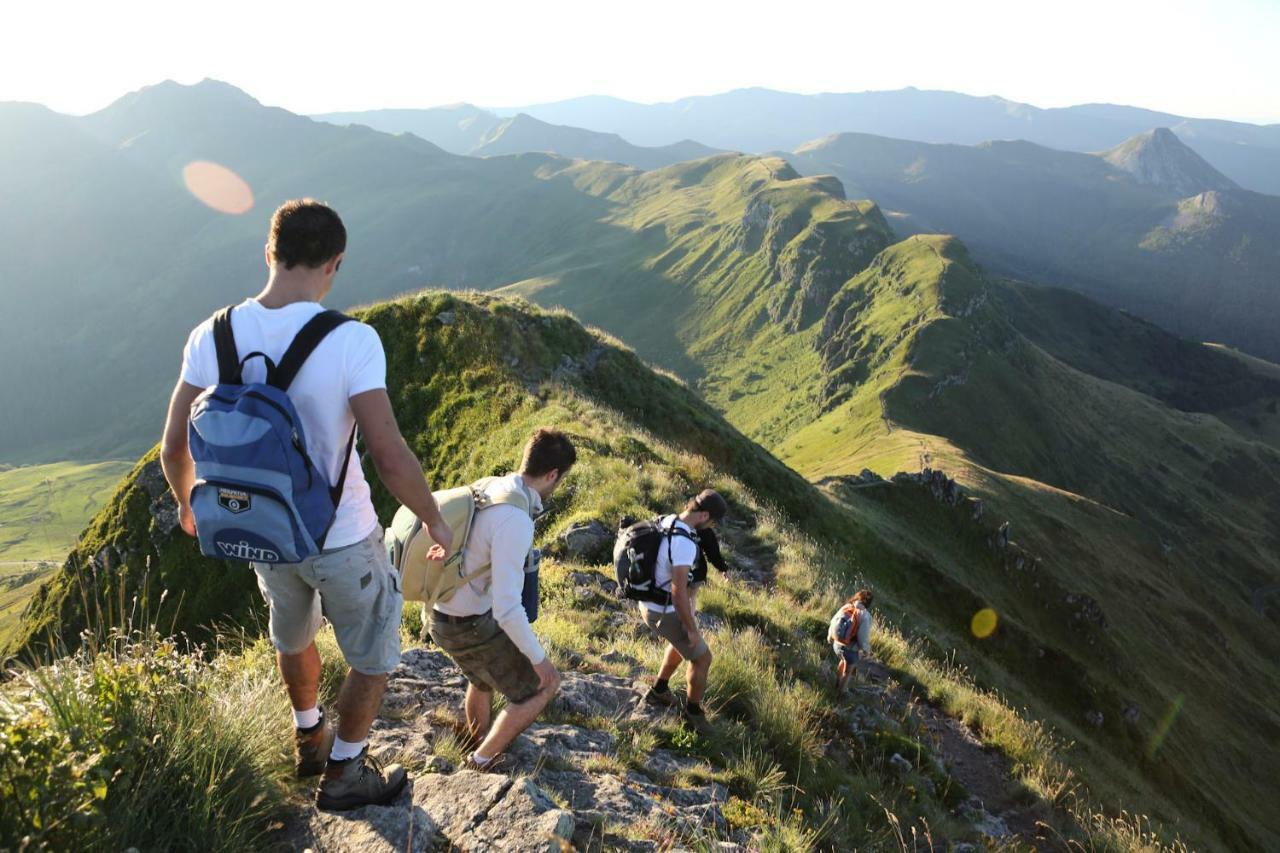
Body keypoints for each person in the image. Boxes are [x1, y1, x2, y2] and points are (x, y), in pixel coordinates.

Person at [160, 199, 453, 811]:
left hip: (261, 529)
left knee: (292, 638)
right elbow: (389, 453)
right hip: (342, 534)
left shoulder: (211, 335)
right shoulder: (352, 341)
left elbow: (172, 446)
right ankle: (345, 773)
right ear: (335, 264)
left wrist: (193, 506)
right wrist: (431, 517)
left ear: (269, 253)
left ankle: (309, 735)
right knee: (373, 657)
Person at [428, 428, 576, 771]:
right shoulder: (515, 520)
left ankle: (477, 740)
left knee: (481, 678)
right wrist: (540, 661)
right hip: (470, 624)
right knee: (543, 686)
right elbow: (507, 608)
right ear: (553, 475)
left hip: (439, 614)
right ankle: (480, 761)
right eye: (561, 479)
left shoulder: (489, 485)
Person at [641, 489, 728, 734]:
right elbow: (679, 592)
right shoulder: (685, 543)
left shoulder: (669, 520)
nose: (712, 526)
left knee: (681, 645)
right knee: (702, 658)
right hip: (662, 610)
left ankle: (659, 689)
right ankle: (693, 714)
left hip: (650, 601)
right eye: (713, 522)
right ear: (704, 516)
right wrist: (691, 630)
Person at [827, 590, 874, 694]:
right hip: (850, 649)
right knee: (848, 671)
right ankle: (841, 693)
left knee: (843, 660)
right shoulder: (865, 615)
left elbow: (833, 621)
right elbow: (862, 637)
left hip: (837, 644)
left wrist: (830, 636)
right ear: (868, 603)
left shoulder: (846, 606)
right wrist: (866, 650)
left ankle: (837, 683)